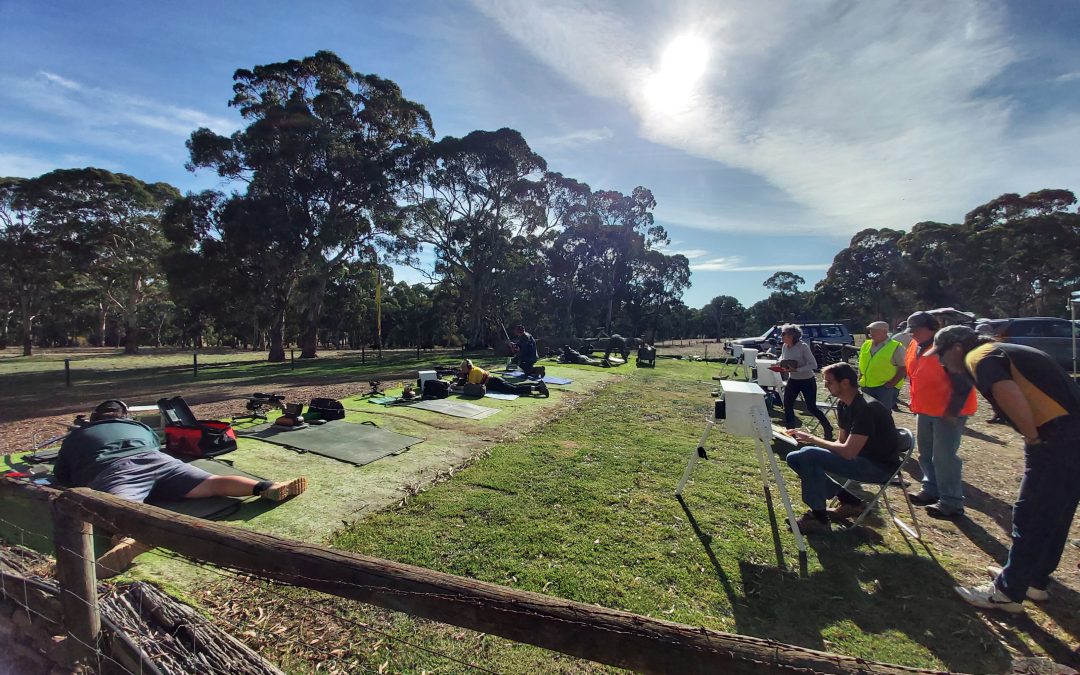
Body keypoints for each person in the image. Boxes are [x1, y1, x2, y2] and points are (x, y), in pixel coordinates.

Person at [54, 400, 308, 576]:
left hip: (114, 469)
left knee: (121, 506)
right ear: (125, 416)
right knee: (210, 483)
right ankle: (266, 487)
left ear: (93, 418)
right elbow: (156, 445)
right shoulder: (138, 426)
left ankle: (127, 538)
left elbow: (63, 476)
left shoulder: (76, 436)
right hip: (159, 462)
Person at [929, 325, 1080, 613]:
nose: (941, 362)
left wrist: (1032, 436)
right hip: (1072, 436)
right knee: (1056, 512)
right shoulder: (1005, 350)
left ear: (957, 348)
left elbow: (1006, 391)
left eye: (942, 355)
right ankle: (1033, 580)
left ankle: (1006, 593)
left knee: (1030, 514)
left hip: (1056, 439)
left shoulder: (980, 356)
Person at [785, 362, 902, 533]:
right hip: (859, 459)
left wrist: (812, 439)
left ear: (845, 383)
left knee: (809, 454)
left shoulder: (866, 408)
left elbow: (847, 452)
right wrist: (810, 441)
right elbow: (842, 443)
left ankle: (819, 518)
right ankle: (851, 502)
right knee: (795, 457)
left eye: (829, 382)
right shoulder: (843, 404)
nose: (825, 385)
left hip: (879, 467)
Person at [904, 311, 977, 518]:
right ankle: (931, 489)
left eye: (916, 330)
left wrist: (953, 411)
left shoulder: (946, 347)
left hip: (947, 412)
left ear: (932, 328)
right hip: (924, 409)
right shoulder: (914, 346)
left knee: (944, 457)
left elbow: (964, 382)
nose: (913, 334)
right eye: (911, 331)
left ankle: (951, 502)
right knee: (925, 453)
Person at [778, 324, 834, 441]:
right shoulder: (784, 346)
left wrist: (797, 370)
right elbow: (782, 358)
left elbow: (813, 365)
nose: (781, 336)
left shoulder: (802, 346)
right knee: (787, 405)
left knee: (811, 407)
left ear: (792, 335)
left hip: (807, 380)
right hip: (793, 380)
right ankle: (790, 432)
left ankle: (828, 427)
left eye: (784, 334)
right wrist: (779, 364)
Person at [858, 321, 907, 412]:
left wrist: (891, 384)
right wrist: (860, 376)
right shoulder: (866, 344)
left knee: (883, 414)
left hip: (885, 388)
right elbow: (861, 362)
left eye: (874, 331)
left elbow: (903, 368)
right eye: (870, 331)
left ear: (884, 332)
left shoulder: (895, 346)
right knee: (866, 412)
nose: (871, 333)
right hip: (866, 385)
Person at [458, 359, 548, 397]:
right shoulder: (473, 370)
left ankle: (538, 388)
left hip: (493, 383)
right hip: (494, 381)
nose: (462, 370)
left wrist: (457, 386)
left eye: (463, 369)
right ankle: (537, 385)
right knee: (514, 386)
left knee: (514, 390)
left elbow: (470, 387)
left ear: (468, 367)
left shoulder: (472, 372)